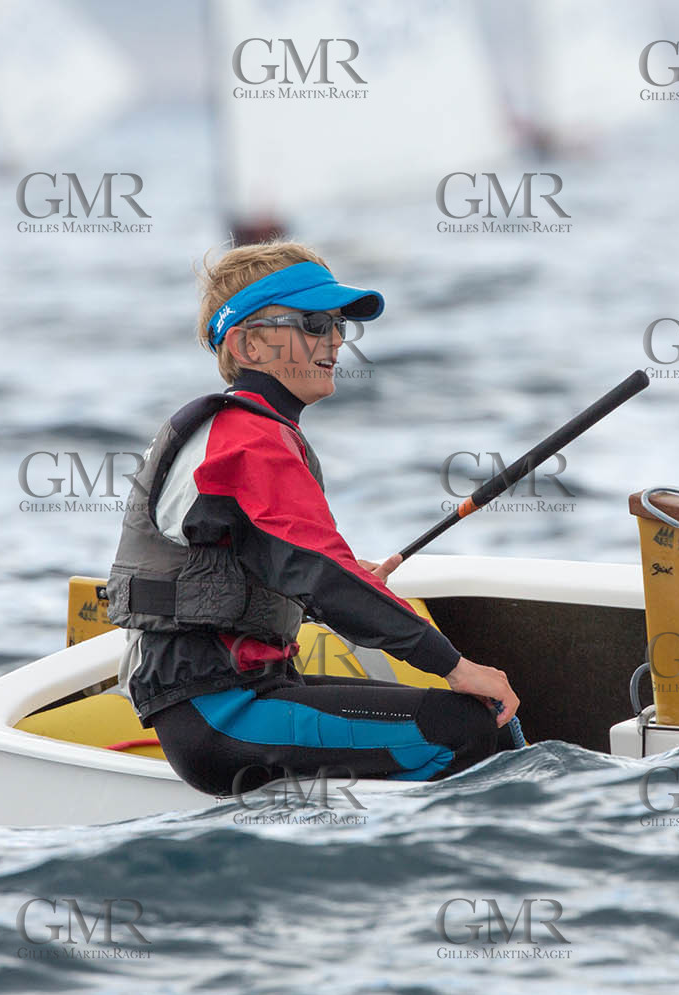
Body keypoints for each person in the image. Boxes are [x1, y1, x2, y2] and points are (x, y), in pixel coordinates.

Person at [107, 241, 519, 794]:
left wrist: (346, 582)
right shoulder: (247, 439)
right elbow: (319, 571)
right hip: (218, 712)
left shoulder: (245, 430)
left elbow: (291, 564)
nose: (336, 340)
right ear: (248, 343)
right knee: (464, 728)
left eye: (339, 325)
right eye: (314, 323)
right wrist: (453, 665)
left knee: (474, 717)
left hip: (241, 692)